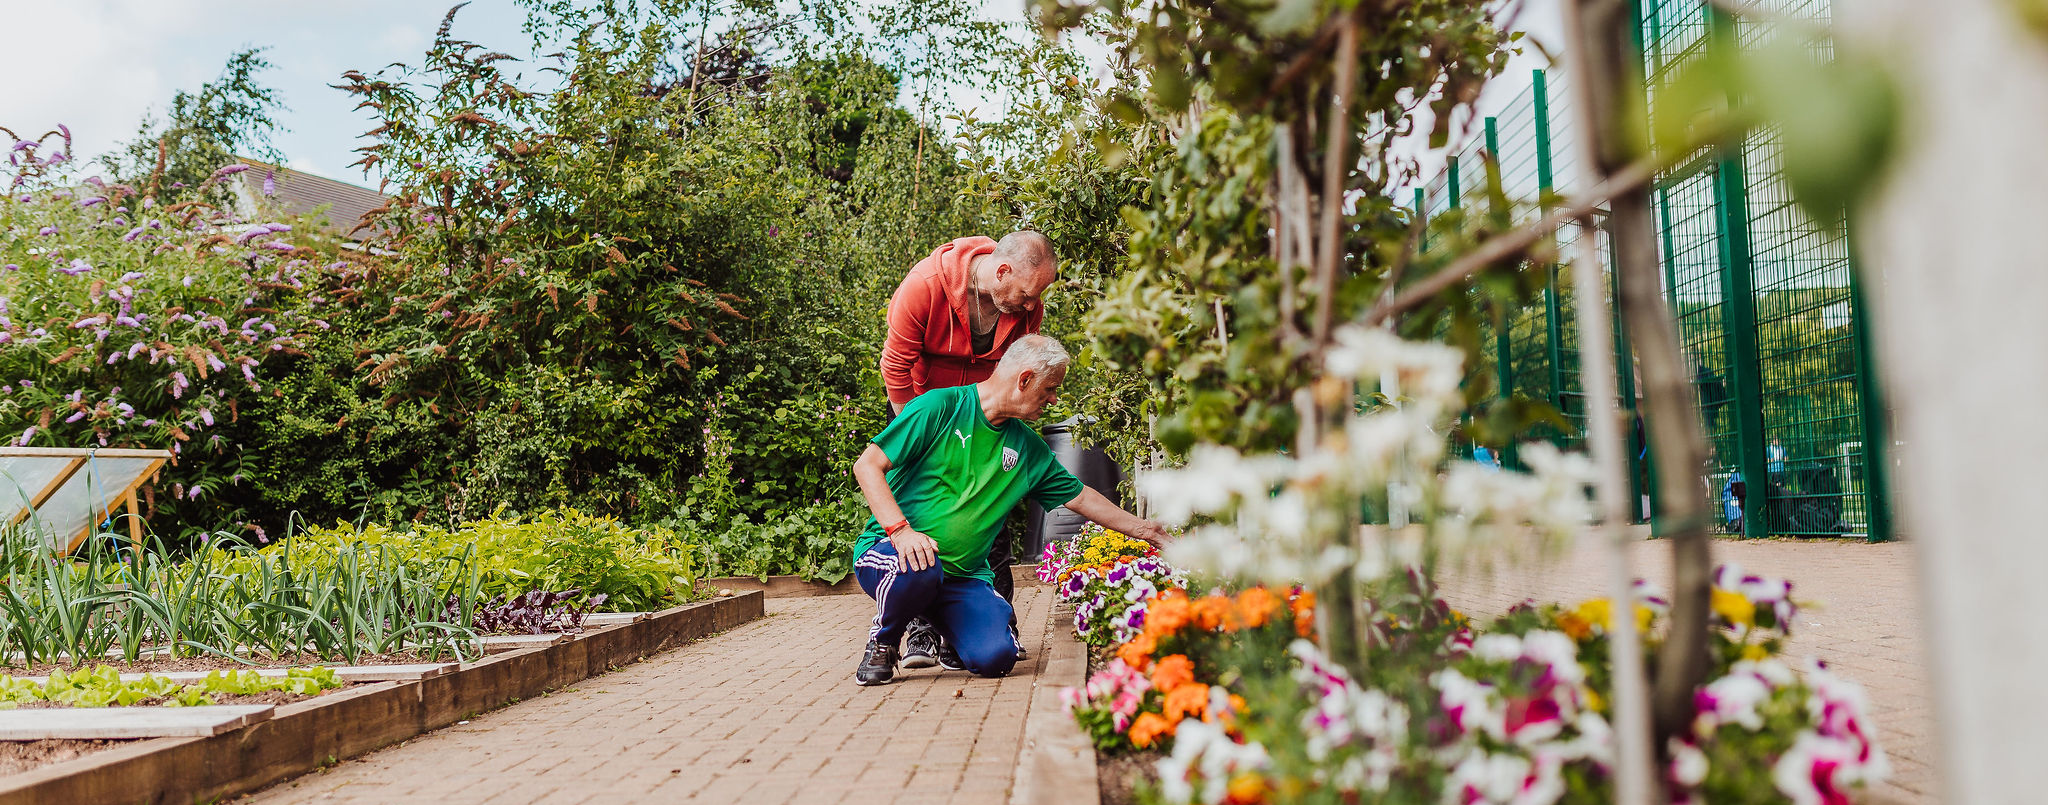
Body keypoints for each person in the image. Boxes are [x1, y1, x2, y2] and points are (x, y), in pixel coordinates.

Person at [849, 335, 1168, 685]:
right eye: (1050, 388)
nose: (1053, 399)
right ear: (1024, 379)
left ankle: (948, 625)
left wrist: (1146, 530)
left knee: (996, 658)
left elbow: (1081, 497)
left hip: (961, 577)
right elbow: (867, 466)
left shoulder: (1027, 448)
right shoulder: (939, 407)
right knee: (920, 569)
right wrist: (901, 531)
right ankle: (884, 640)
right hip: (893, 556)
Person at [879, 231, 1058, 670]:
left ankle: (995, 620)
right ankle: (921, 629)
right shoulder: (925, 286)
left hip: (985, 416)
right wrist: (919, 436)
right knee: (925, 513)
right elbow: (895, 366)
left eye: (1036, 298)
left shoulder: (1024, 307)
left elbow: (1023, 367)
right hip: (926, 414)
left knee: (990, 510)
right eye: (1027, 295)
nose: (1031, 307)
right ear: (1002, 271)